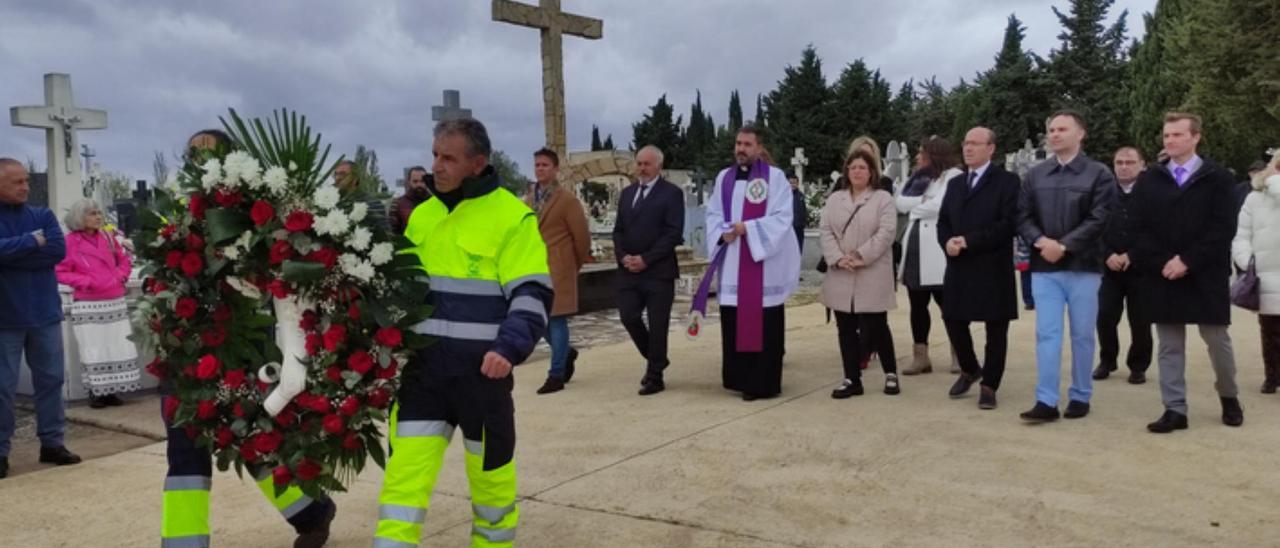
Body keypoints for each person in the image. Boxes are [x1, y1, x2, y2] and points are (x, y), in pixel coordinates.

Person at [374, 118, 551, 547]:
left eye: (448, 157)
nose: (437, 165)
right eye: (435, 154)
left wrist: (508, 347)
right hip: (422, 378)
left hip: (483, 380)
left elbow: (531, 293)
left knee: (492, 494)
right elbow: (402, 290)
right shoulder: (422, 217)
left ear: (477, 163)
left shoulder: (512, 217)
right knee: (401, 492)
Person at [159, 130, 337, 548]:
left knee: (250, 439)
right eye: (193, 156)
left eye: (211, 156)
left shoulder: (258, 217)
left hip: (240, 345)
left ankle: (311, 510)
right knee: (184, 448)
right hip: (186, 348)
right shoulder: (179, 216)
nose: (200, 165)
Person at [1131, 112, 1243, 433]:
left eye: (1177, 135)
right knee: (1169, 345)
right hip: (1162, 272)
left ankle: (1229, 396)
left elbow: (1222, 227)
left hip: (1204, 272)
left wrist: (1188, 260)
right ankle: (1174, 408)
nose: (1170, 141)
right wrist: (1163, 261)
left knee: (1217, 339)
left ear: (1196, 137)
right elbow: (1138, 227)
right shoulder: (1150, 179)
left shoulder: (1218, 178)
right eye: (1167, 135)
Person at [1016, 110, 1115, 422]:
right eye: (1052, 130)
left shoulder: (1098, 174)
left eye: (1062, 129)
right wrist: (1042, 241)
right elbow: (1022, 215)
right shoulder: (1036, 175)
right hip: (1045, 267)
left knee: (1083, 334)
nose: (1055, 134)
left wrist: (1065, 245)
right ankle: (1046, 401)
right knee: (1047, 333)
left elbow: (1100, 217)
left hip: (1083, 267)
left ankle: (1081, 394)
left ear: (1080, 134)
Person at [705, 126, 801, 401]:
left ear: (759, 148)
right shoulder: (724, 177)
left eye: (747, 144)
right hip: (733, 263)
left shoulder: (776, 178)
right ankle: (738, 379)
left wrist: (748, 228)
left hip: (762, 266)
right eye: (738, 143)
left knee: (764, 324)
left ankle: (762, 382)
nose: (741, 149)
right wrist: (721, 233)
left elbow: (783, 218)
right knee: (734, 321)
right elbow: (712, 214)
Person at [0, 157, 81, 480]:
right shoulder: (35, 227)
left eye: (26, 181)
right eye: (16, 182)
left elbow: (57, 252)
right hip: (5, 318)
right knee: (2, 388)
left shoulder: (42, 214)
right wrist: (32, 242)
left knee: (51, 380)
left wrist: (10, 255)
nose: (24, 187)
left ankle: (52, 443)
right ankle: (1, 451)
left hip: (45, 314)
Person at [938, 128, 1021, 409]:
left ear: (991, 148)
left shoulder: (1007, 182)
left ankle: (990, 384)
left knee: (995, 328)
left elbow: (1009, 224)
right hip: (959, 264)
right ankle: (970, 368)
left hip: (991, 264)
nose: (968, 148)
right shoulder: (956, 184)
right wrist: (947, 241)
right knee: (952, 318)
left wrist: (970, 241)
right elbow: (943, 221)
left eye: (975, 143)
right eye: (965, 143)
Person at [821, 149, 900, 398]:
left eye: (862, 167)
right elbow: (825, 231)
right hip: (841, 271)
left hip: (871, 270)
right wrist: (837, 257)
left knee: (876, 324)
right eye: (853, 167)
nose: (857, 171)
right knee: (845, 327)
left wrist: (860, 256)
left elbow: (886, 233)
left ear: (871, 172)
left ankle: (890, 372)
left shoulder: (882, 199)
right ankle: (852, 378)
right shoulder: (836, 199)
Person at [54, 198, 140, 408]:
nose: (98, 217)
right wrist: (87, 282)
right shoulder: (69, 242)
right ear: (79, 217)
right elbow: (60, 270)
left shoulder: (109, 237)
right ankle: (97, 391)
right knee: (93, 346)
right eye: (92, 213)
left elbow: (124, 261)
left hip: (114, 298)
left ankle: (113, 390)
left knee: (117, 344)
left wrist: (119, 277)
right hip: (89, 302)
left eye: (98, 213)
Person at [614, 146, 684, 396]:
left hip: (658, 272)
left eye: (647, 164)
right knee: (629, 316)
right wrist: (624, 257)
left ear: (659, 166)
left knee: (658, 324)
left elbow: (673, 233)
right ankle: (657, 358)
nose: (641, 168)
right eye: (639, 163)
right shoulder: (627, 194)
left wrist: (646, 259)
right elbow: (618, 230)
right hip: (629, 271)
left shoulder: (671, 194)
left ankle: (655, 375)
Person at [524, 147, 590, 395]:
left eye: (545, 165)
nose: (540, 169)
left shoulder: (567, 200)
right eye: (537, 165)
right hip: (535, 268)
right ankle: (567, 352)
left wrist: (573, 264)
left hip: (559, 268)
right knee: (538, 320)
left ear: (555, 169)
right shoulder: (529, 198)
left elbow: (582, 238)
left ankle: (556, 375)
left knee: (557, 319)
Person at [897, 137, 963, 376]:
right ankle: (921, 356)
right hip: (914, 245)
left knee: (947, 304)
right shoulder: (917, 177)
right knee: (917, 305)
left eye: (921, 153)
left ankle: (959, 353)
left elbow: (941, 206)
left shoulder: (953, 176)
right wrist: (922, 202)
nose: (917, 157)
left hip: (936, 249)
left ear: (933, 154)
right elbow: (899, 202)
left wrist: (917, 207)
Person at [1093, 146, 1154, 384]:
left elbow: (1156, 230)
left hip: (1140, 267)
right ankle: (1107, 360)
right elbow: (1094, 228)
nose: (1124, 166)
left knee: (1140, 319)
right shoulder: (1103, 193)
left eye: (1130, 162)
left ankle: (1138, 365)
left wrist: (1133, 255)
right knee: (1105, 315)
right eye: (1119, 162)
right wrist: (1106, 254)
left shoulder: (1152, 194)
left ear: (1142, 165)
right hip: (1109, 268)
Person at [1233, 150, 1280, 393]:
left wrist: (1273, 181)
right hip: (1265, 273)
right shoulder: (1254, 198)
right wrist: (1248, 261)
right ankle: (1272, 375)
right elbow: (1241, 235)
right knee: (1269, 329)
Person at [389, 165, 431, 234]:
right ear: (409, 182)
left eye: (422, 181)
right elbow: (392, 233)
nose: (419, 185)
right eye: (415, 181)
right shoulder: (398, 204)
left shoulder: (437, 202)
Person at [789, 176, 807, 253]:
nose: (793, 185)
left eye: (794, 183)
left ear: (798, 183)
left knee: (799, 248)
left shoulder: (800, 195)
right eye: (790, 183)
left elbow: (803, 209)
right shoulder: (785, 195)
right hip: (789, 227)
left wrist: (803, 222)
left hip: (799, 227)